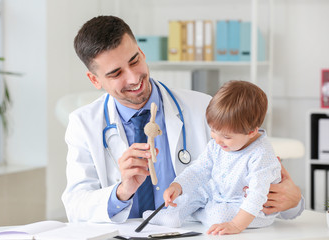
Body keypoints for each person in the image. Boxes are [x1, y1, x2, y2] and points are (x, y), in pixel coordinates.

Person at [61, 15, 304, 223]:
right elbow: (74, 207)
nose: (134, 78)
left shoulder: (204, 108)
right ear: (95, 80)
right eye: (115, 73)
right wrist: (122, 191)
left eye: (135, 60)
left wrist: (292, 201)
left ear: (142, 52)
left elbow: (261, 186)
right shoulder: (83, 124)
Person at [144, 80, 284, 235]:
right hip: (217, 194)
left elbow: (256, 197)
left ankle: (195, 214)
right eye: (213, 131)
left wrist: (236, 226)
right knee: (190, 193)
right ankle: (172, 216)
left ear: (251, 132)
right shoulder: (218, 144)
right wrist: (177, 185)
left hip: (248, 208)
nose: (216, 140)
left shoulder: (261, 155)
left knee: (219, 215)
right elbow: (199, 170)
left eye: (226, 136)